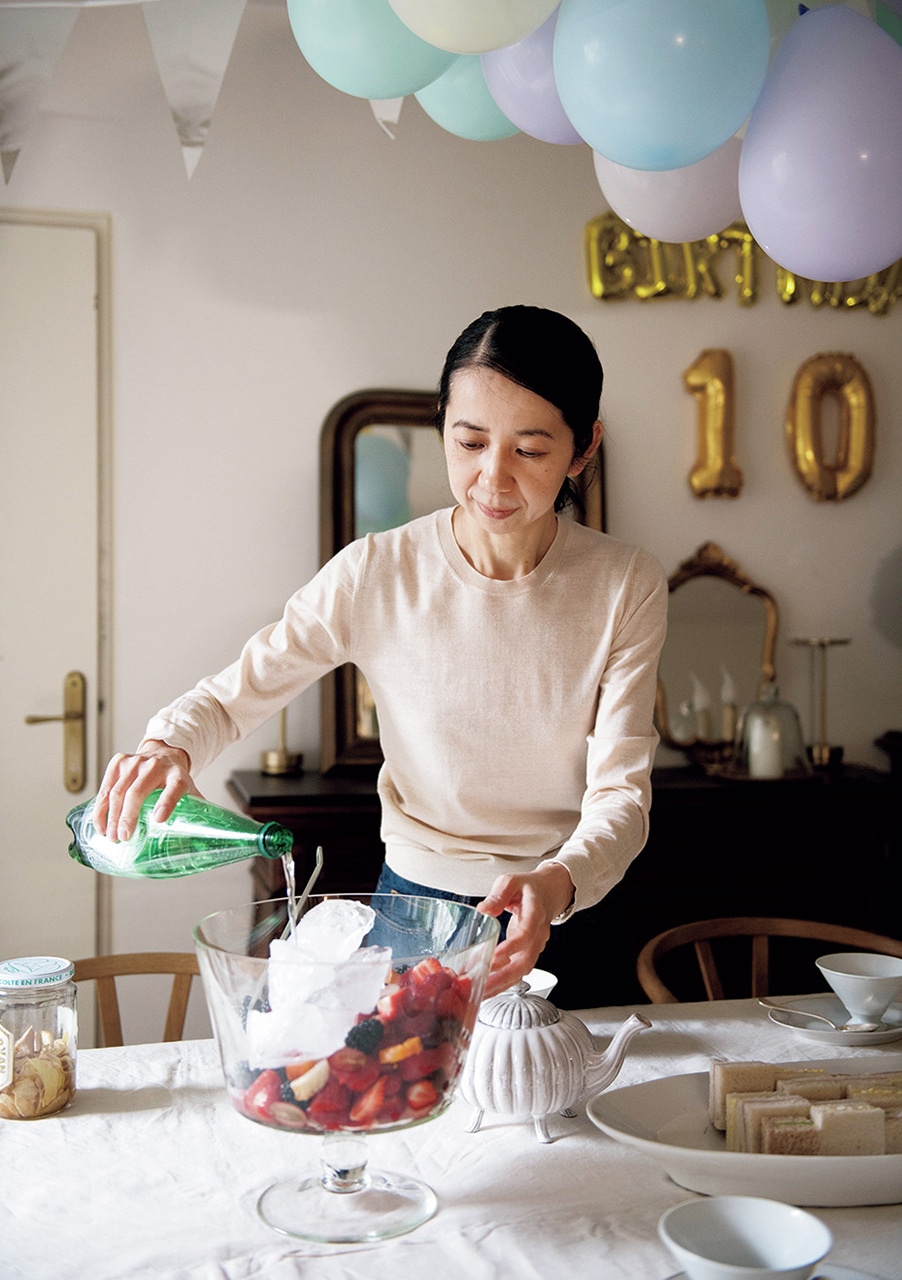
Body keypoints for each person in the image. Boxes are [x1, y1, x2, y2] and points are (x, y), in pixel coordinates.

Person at [95, 305, 667, 999]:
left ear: (584, 447)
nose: (493, 476)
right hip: (416, 914)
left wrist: (556, 883)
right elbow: (233, 693)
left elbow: (621, 797)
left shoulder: (625, 584)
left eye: (531, 450)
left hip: (569, 907)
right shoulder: (377, 570)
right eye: (470, 441)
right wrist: (170, 746)